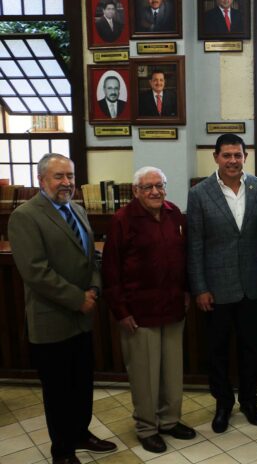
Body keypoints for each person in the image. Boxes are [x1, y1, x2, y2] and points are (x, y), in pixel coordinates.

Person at [8, 153, 117, 464]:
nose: (67, 183)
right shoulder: (26, 216)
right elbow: (35, 271)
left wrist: (94, 288)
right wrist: (77, 298)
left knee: (82, 383)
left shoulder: (78, 210)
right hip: (52, 319)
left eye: (70, 176)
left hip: (82, 318)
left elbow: (92, 257)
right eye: (59, 177)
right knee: (58, 392)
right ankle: (63, 451)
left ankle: (81, 434)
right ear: (42, 180)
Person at [102, 167, 196, 454]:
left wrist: (186, 291)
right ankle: (146, 427)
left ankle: (169, 421)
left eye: (159, 185)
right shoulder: (122, 220)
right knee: (145, 376)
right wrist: (121, 311)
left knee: (171, 372)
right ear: (136, 191)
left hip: (172, 308)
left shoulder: (173, 213)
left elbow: (183, 257)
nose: (155, 191)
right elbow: (110, 271)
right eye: (148, 187)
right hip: (138, 313)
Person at [187, 134, 257, 433]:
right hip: (216, 288)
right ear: (216, 157)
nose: (233, 160)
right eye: (227, 155)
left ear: (245, 156)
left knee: (251, 348)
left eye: (238, 155)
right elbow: (195, 244)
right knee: (217, 351)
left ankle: (249, 401)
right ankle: (223, 403)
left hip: (254, 283)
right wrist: (200, 287)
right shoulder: (199, 193)